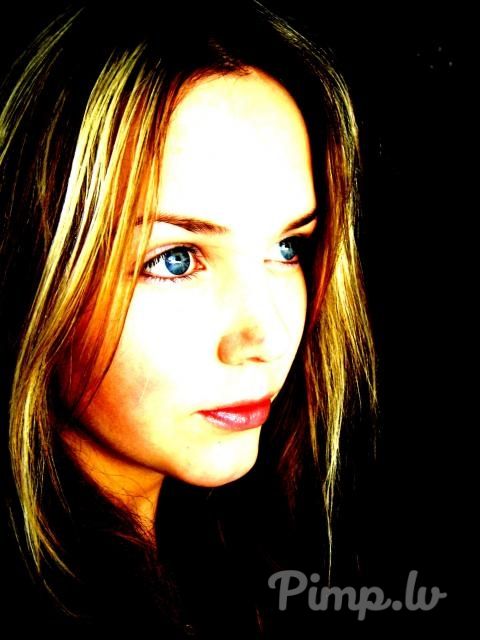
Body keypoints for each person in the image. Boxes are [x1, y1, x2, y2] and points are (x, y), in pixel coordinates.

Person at [0, 0, 376, 634]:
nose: (264, 338)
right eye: (175, 260)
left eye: (288, 248)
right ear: (30, 262)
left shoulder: (242, 565)